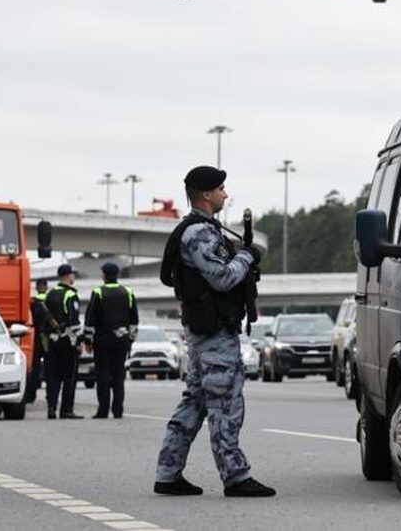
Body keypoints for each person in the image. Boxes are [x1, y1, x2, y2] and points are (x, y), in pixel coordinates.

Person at [153, 165, 275, 498]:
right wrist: (247, 257)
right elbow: (222, 278)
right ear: (206, 194)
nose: (225, 193)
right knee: (225, 403)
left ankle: (168, 473)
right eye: (220, 188)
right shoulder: (199, 233)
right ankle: (235, 476)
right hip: (212, 332)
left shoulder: (203, 229)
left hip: (207, 329)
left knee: (195, 402)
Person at [86, 261, 139, 418]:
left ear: (104, 276)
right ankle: (118, 410)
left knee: (102, 375)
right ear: (118, 275)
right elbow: (134, 319)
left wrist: (88, 340)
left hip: (102, 341)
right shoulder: (128, 292)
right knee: (118, 375)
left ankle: (103, 410)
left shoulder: (98, 292)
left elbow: (90, 318)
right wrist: (130, 339)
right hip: (121, 341)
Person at [43, 264, 84, 419]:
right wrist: (79, 341)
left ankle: (51, 408)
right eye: (73, 274)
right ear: (68, 276)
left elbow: (45, 319)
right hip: (67, 341)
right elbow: (74, 322)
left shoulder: (51, 293)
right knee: (69, 377)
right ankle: (66, 410)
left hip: (52, 341)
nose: (74, 277)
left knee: (52, 376)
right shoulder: (70, 295)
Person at [24, 279, 49, 403]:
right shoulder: (51, 299)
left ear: (37, 287)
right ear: (46, 287)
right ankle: (51, 396)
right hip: (48, 338)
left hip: (35, 337)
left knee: (34, 367)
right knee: (50, 368)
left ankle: (30, 395)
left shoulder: (31, 302)